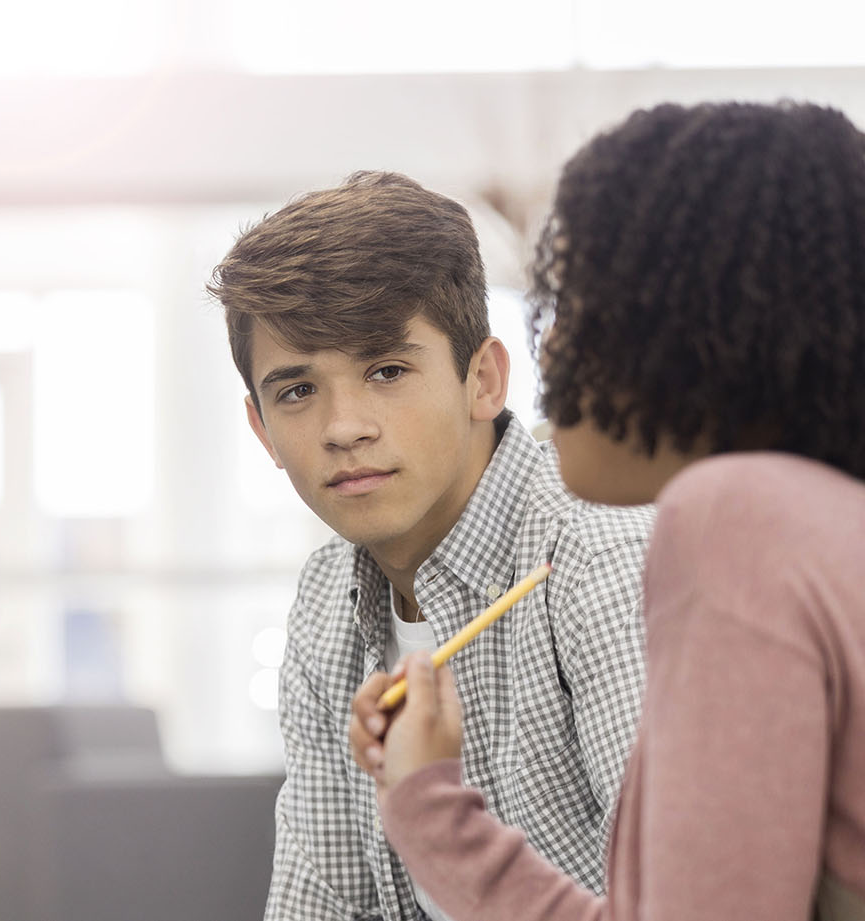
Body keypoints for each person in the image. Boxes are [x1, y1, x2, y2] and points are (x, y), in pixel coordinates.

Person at [353, 100, 865, 921]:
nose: (549, 348)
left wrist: (429, 806)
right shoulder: (828, 525)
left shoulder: (736, 521)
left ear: (691, 326)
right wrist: (424, 793)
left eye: (575, 303)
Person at [208, 171, 655, 920]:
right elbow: (320, 903)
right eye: (296, 390)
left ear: (483, 380)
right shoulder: (326, 602)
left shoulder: (598, 561)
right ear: (263, 431)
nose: (344, 426)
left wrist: (427, 805)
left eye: (387, 370)